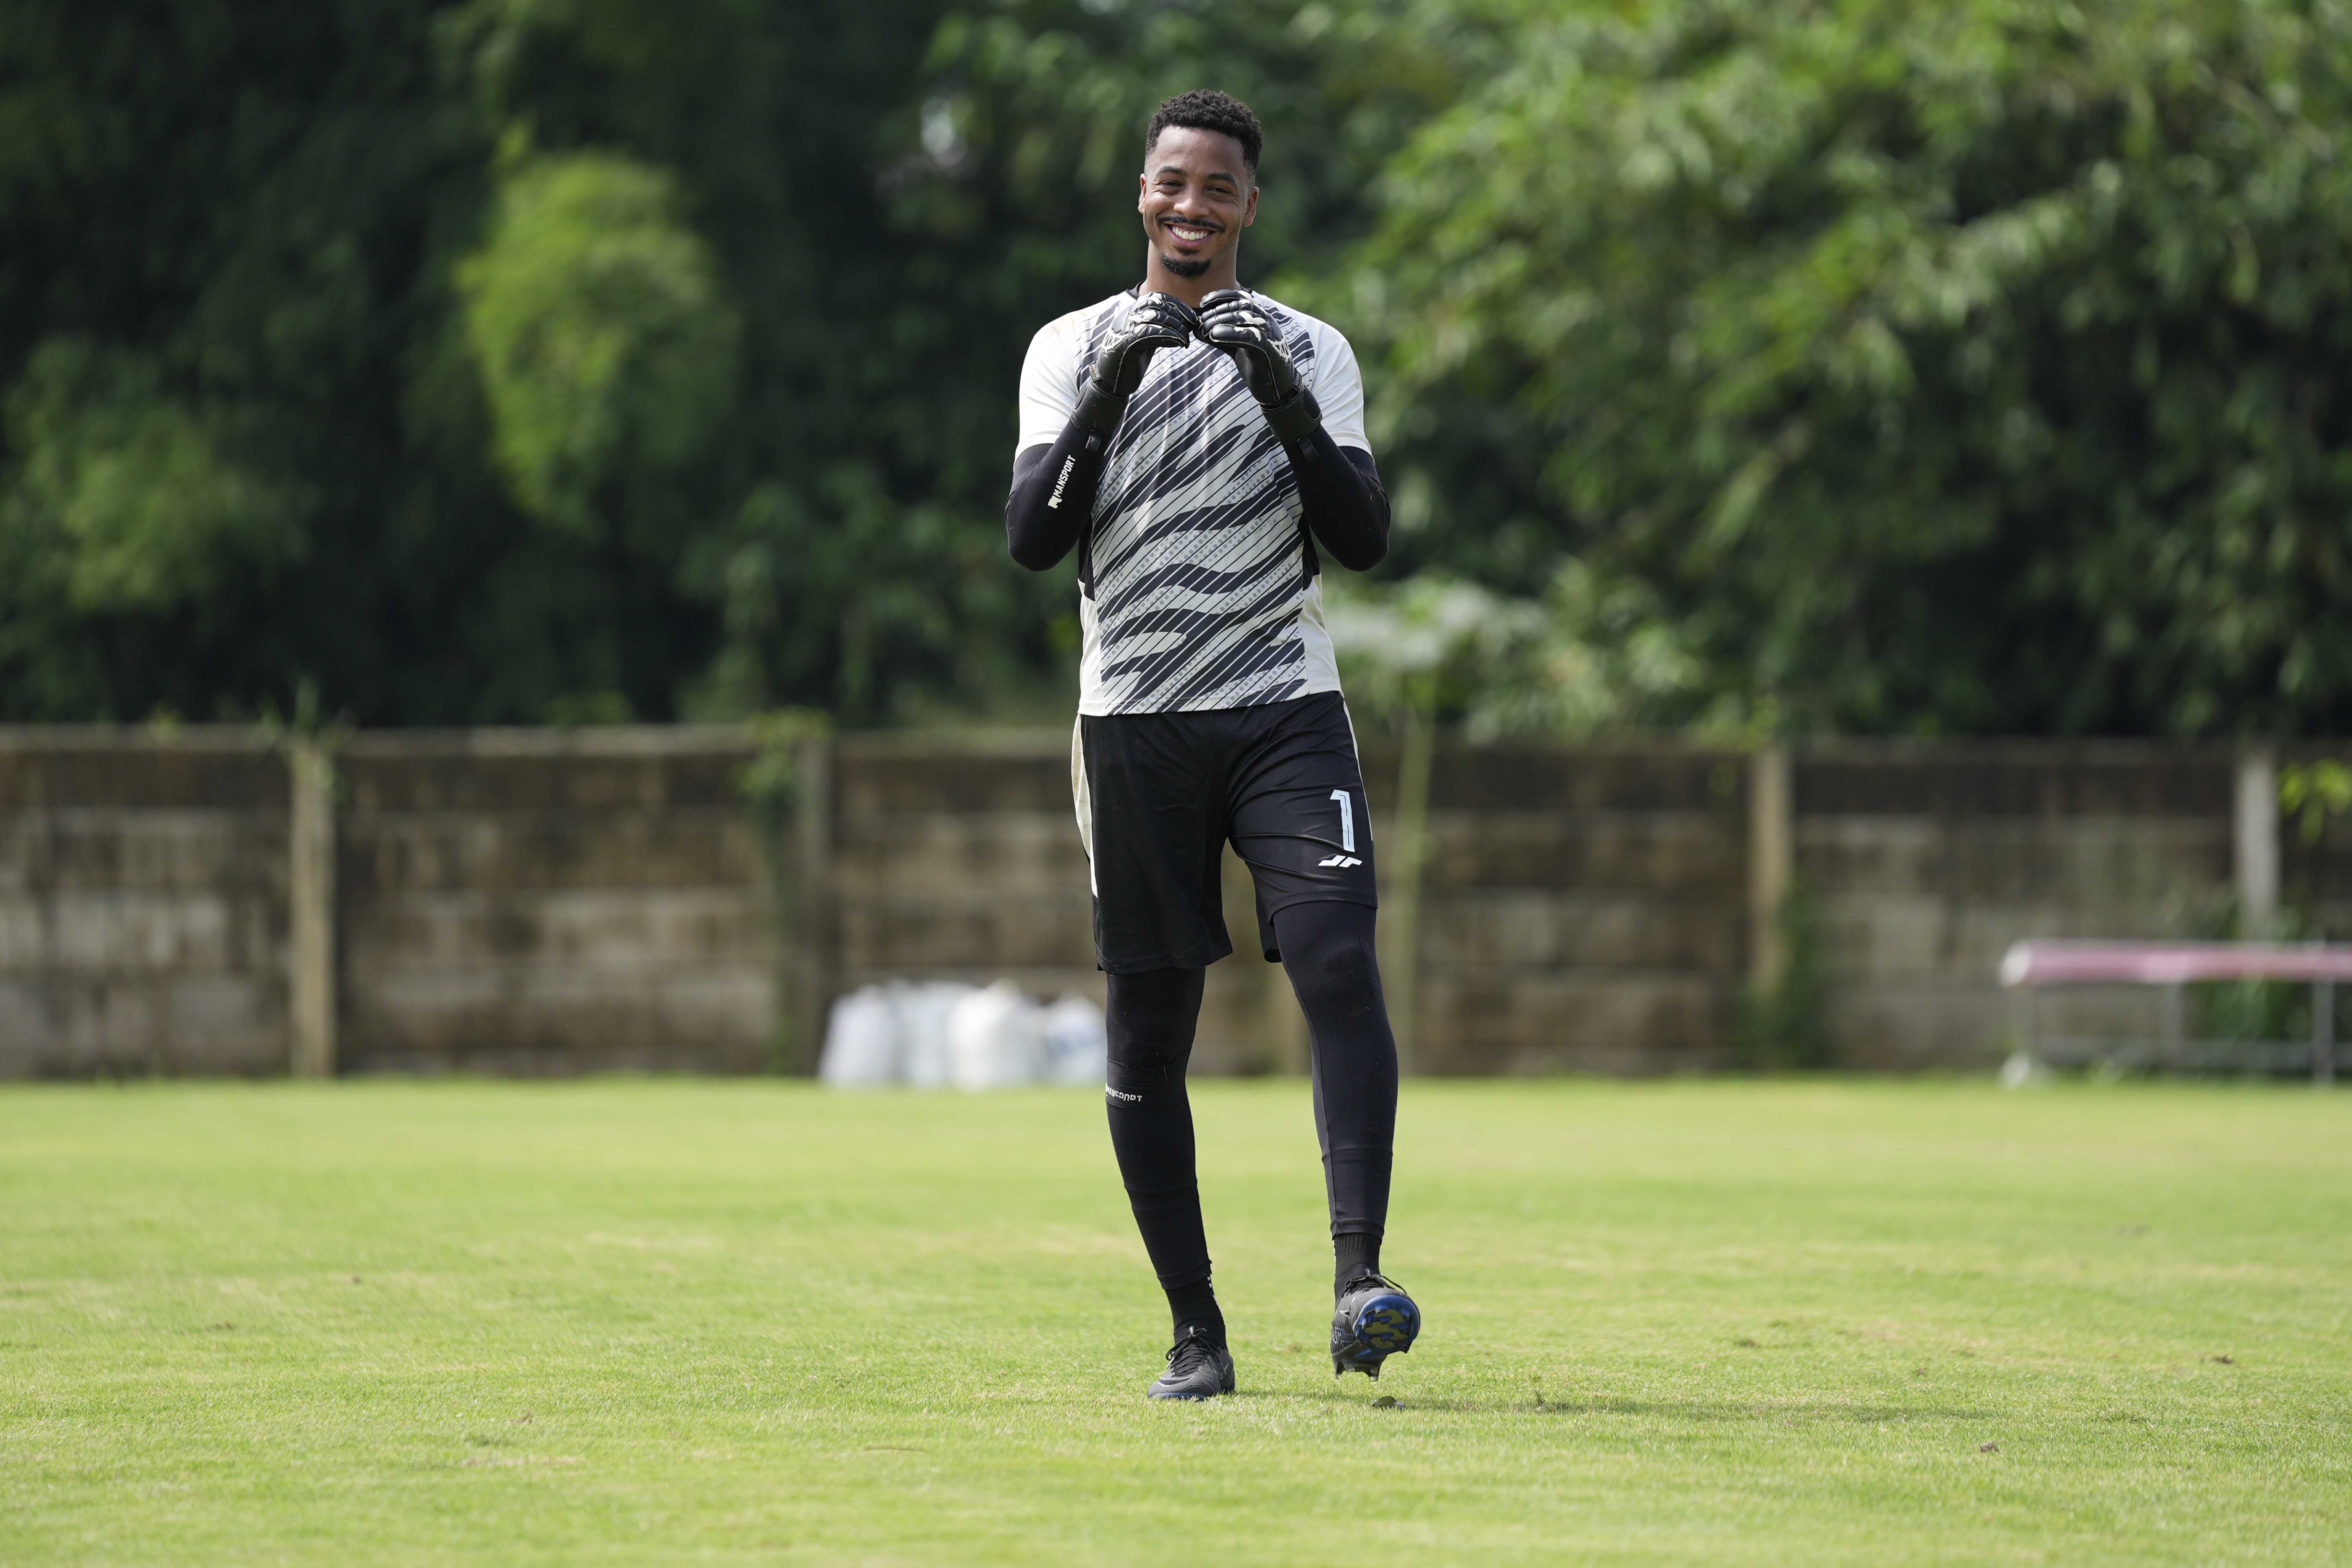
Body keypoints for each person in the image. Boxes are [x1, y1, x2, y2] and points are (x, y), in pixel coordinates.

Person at [1003, 89, 1418, 1400]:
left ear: (1251, 206)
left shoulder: (1311, 344)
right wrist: (1124, 375)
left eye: (1218, 188)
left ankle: (1360, 1282)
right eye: (1171, 183)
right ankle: (1197, 1333)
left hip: (1284, 704)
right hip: (1133, 724)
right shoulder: (1070, 345)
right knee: (1148, 1031)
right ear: (1143, 192)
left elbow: (1360, 538)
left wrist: (1274, 384)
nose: (1192, 207)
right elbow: (1031, 536)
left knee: (1341, 958)